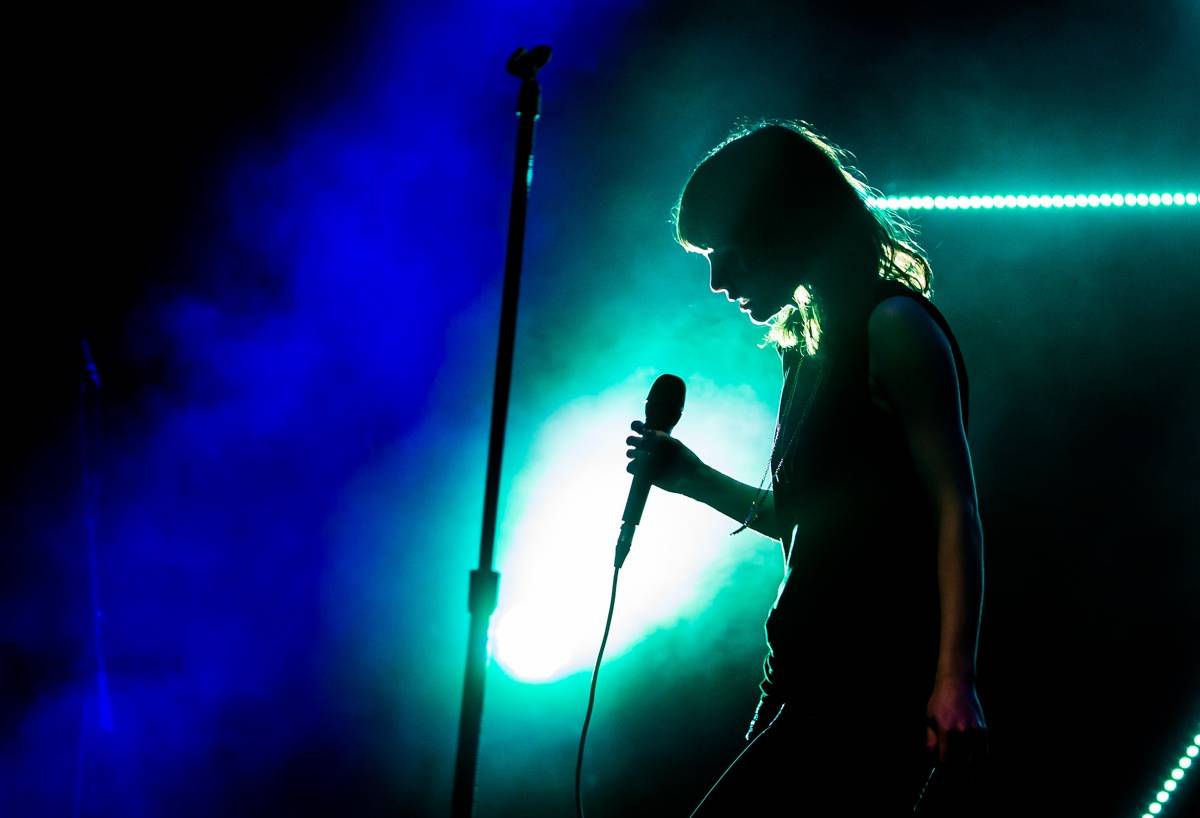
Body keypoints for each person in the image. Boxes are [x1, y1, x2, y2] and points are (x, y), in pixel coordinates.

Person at [624, 120, 989, 815]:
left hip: (866, 689)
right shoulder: (808, 348)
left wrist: (955, 678)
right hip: (796, 680)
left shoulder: (894, 327)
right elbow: (800, 521)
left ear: (778, 222)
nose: (717, 280)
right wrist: (691, 476)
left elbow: (956, 508)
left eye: (724, 252)